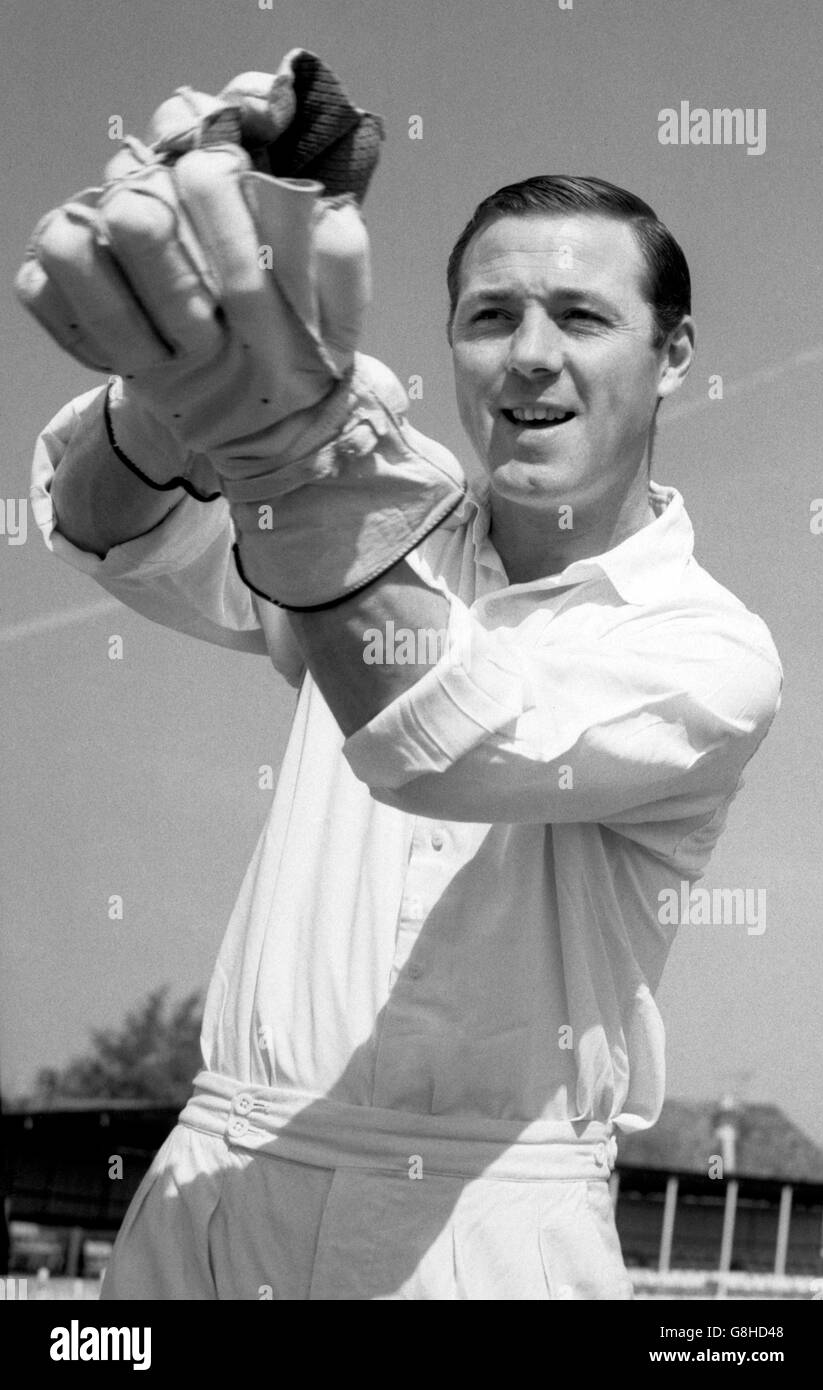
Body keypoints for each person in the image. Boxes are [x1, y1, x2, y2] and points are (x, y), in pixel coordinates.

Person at [27, 154, 781, 1298]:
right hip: (216, 1184)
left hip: (483, 1232)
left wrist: (283, 446)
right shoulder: (391, 506)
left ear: (674, 353)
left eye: (581, 314)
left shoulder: (710, 650)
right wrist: (167, 394)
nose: (530, 354)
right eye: (490, 318)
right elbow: (113, 537)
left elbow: (456, 741)